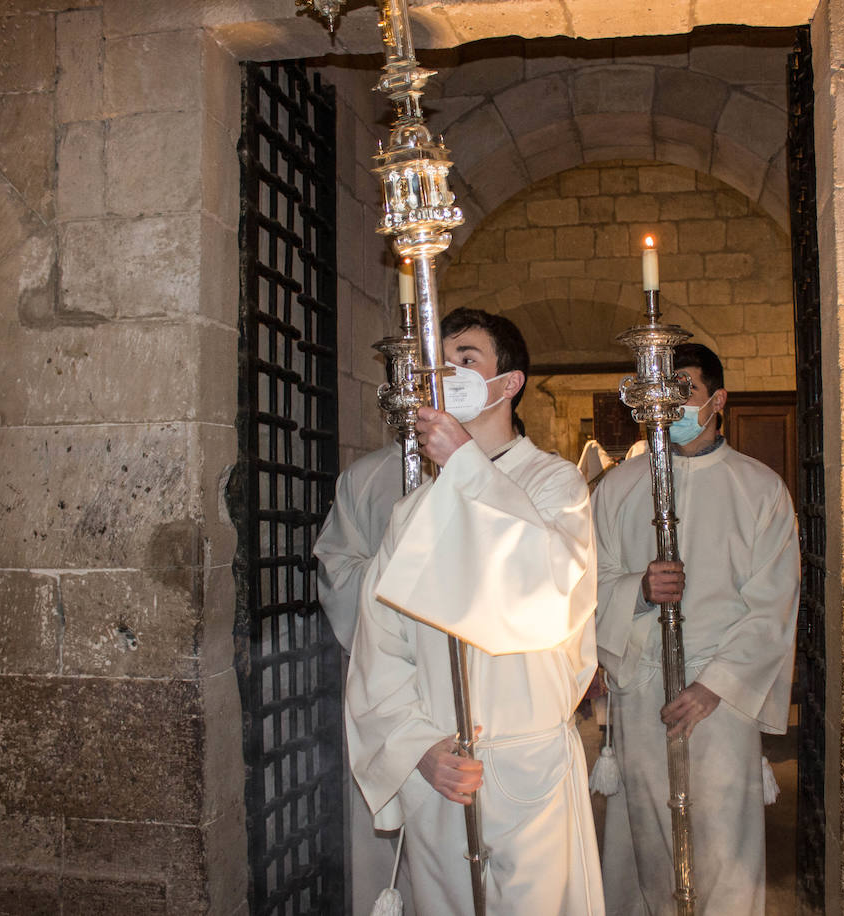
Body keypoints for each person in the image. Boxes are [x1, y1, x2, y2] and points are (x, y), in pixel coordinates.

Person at [345, 308, 605, 915]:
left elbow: (543, 594)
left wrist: (465, 465)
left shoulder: (556, 486)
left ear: (508, 383)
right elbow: (380, 648)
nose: (448, 374)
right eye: (443, 363)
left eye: (467, 360)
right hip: (443, 775)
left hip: (528, 774)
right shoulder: (412, 514)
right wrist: (418, 747)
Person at [591, 343, 799, 916]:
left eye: (684, 390)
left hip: (721, 697)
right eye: (662, 391)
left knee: (723, 844)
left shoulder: (760, 491)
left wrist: (714, 686)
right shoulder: (617, 489)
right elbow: (589, 579)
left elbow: (774, 602)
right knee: (647, 835)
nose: (671, 404)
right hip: (642, 687)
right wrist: (636, 589)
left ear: (718, 400)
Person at [313, 438, 418, 913]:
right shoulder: (366, 476)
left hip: (464, 695)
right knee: (387, 852)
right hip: (383, 685)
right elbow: (337, 569)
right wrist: (392, 580)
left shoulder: (490, 470)